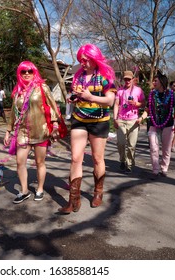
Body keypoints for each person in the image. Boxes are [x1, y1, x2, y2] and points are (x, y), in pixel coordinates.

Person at [58, 44, 117, 213]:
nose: (82, 63)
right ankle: (73, 200)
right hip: (79, 120)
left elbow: (110, 101)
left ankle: (98, 192)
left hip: (99, 121)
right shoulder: (78, 77)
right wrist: (74, 98)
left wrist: (90, 97)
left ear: (94, 58)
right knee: (76, 158)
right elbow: (78, 94)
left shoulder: (105, 77)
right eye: (80, 60)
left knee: (97, 159)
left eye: (85, 60)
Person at [3, 61, 61, 204]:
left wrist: (54, 124)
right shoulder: (17, 91)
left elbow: (52, 106)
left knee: (39, 162)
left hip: (40, 131)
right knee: (19, 162)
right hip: (22, 132)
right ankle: (24, 191)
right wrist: (8, 131)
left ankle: (40, 188)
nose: (27, 73)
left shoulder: (42, 87)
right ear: (20, 74)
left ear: (34, 72)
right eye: (23, 71)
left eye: (30, 71)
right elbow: (13, 113)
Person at [140, 71, 175, 177]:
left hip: (168, 124)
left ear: (162, 82)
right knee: (154, 147)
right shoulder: (152, 95)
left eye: (155, 81)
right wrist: (141, 118)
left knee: (166, 148)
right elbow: (147, 109)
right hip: (153, 124)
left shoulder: (171, 95)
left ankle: (164, 168)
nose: (153, 82)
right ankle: (155, 169)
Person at [113, 70, 145, 173]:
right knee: (121, 143)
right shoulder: (120, 91)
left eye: (129, 79)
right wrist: (115, 119)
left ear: (133, 79)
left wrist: (136, 103)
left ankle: (129, 164)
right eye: (125, 79)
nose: (127, 81)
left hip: (133, 120)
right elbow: (116, 105)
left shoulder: (138, 90)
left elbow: (143, 103)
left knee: (132, 145)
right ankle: (122, 160)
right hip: (121, 120)